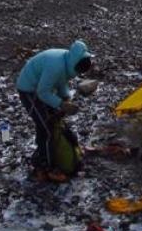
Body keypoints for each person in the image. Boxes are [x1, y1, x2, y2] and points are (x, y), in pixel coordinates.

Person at [16, 39, 93, 179]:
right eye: (79, 69)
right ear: (75, 63)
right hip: (29, 89)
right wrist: (61, 104)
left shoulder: (66, 60)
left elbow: (61, 81)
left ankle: (42, 156)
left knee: (49, 123)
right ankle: (47, 166)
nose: (78, 73)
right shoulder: (56, 65)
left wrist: (66, 97)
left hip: (41, 88)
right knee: (47, 127)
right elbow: (42, 92)